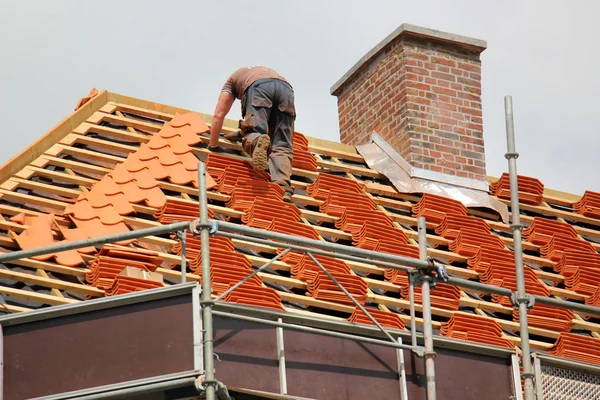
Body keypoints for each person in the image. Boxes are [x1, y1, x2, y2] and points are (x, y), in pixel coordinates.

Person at [208, 66, 296, 202]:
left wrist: (213, 146)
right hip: (286, 89)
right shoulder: (254, 72)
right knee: (282, 143)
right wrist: (240, 132)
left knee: (255, 131)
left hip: (260, 87)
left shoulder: (231, 83)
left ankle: (257, 141)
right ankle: (283, 188)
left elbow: (218, 115)